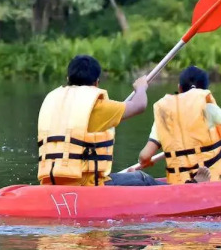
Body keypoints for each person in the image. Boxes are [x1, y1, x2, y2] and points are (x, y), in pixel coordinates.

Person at [37, 54, 154, 186]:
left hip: (51, 182)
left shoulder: (52, 104)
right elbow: (139, 105)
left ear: (68, 79)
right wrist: (141, 88)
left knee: (131, 176)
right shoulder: (97, 106)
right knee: (142, 178)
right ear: (96, 82)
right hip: (88, 185)